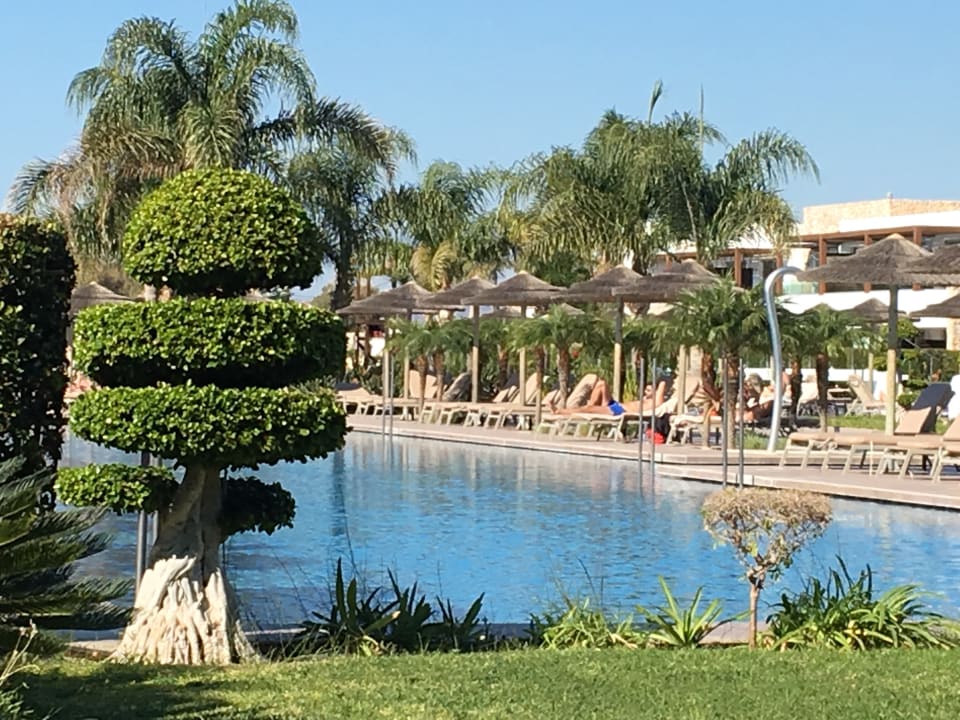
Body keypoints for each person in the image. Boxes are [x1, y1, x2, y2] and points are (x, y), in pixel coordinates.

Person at [549, 377, 668, 416]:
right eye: (645, 390)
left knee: (587, 409)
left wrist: (659, 385)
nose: (646, 392)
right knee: (601, 383)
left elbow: (663, 383)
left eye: (649, 390)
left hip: (618, 411)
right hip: (615, 405)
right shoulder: (645, 400)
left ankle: (559, 411)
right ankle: (594, 405)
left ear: (657, 391)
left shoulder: (656, 402)